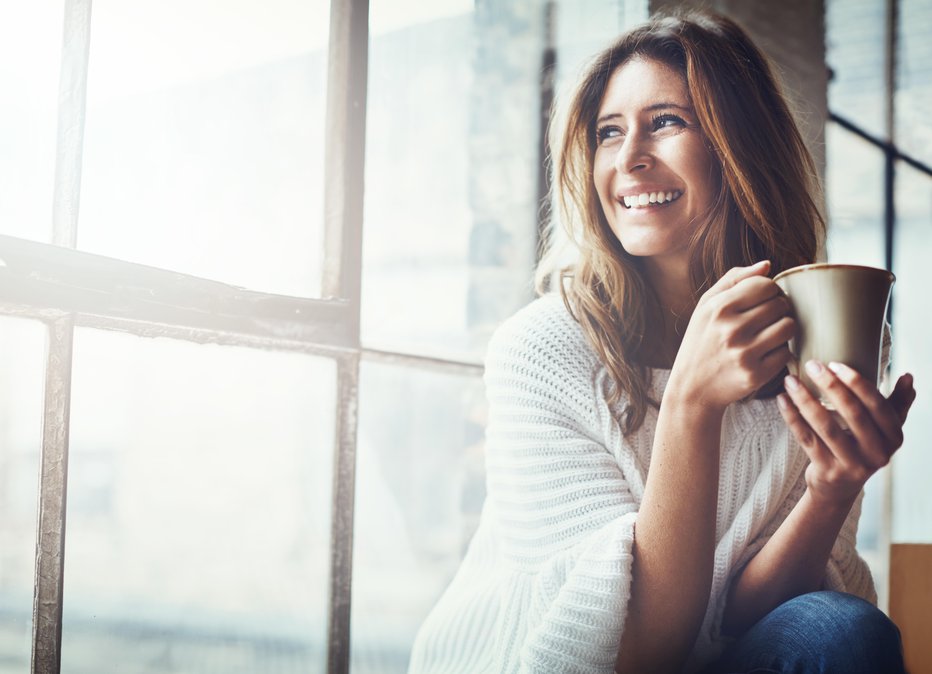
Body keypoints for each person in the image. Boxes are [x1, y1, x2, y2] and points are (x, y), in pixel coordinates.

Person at [408, 10, 917, 674]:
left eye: (667, 122)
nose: (628, 158)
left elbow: (740, 621)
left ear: (742, 149)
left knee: (842, 630)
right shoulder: (541, 350)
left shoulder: (814, 342)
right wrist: (690, 405)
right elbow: (635, 652)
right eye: (608, 132)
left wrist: (831, 487)